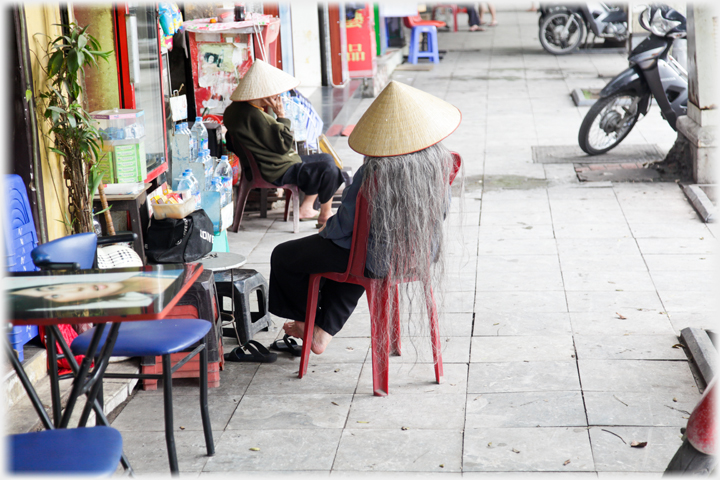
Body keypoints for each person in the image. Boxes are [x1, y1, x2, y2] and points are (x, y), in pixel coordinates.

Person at [269, 81, 462, 356]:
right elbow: (441, 213)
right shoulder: (439, 161)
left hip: (375, 259)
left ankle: (306, 324)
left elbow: (345, 227)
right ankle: (323, 332)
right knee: (350, 257)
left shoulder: (374, 170)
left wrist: (326, 227)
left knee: (287, 254)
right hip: (419, 253)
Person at [223, 60, 343, 226]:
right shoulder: (256, 117)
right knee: (329, 167)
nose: (276, 96)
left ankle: (307, 207)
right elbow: (284, 146)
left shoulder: (235, 111)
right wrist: (281, 116)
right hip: (276, 170)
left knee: (325, 159)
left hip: (267, 164)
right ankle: (325, 213)